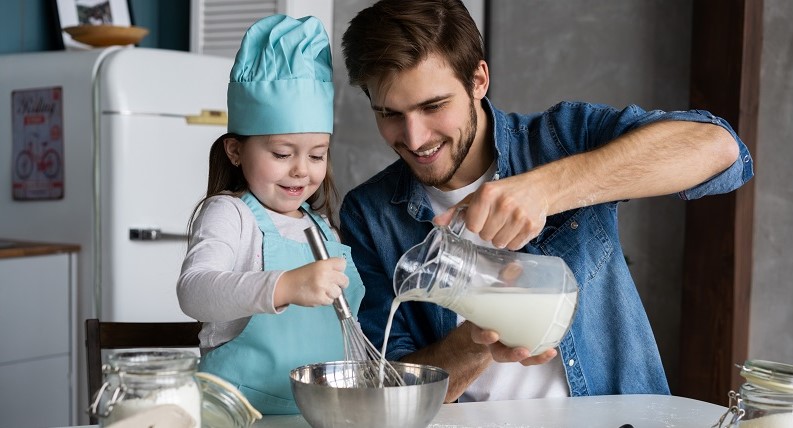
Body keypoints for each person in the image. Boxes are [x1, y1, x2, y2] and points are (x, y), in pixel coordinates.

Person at [338, 0, 754, 403]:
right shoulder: (370, 214)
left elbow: (721, 150)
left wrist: (548, 187)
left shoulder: (561, 139)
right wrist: (476, 342)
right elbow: (392, 389)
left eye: (433, 106)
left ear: (478, 80)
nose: (414, 139)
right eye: (390, 114)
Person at [177, 14, 364, 415]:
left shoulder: (323, 227)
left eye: (317, 155)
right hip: (236, 415)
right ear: (235, 151)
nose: (302, 169)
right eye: (282, 154)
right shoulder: (230, 215)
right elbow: (194, 291)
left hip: (321, 414)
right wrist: (286, 286)